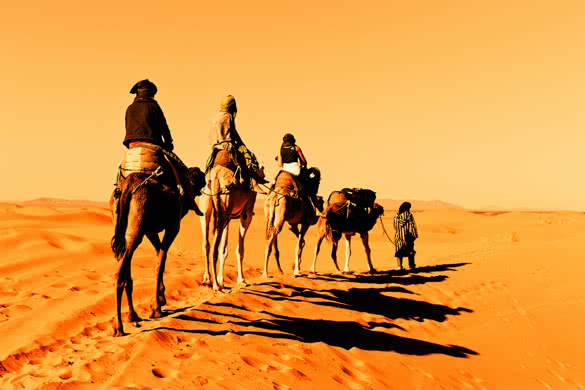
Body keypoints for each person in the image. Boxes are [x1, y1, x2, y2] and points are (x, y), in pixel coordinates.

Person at [119, 79, 202, 215]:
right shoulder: (154, 107)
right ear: (151, 94)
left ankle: (118, 195)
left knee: (119, 175)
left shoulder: (129, 108)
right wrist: (169, 144)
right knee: (183, 170)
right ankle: (191, 203)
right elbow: (164, 128)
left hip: (132, 148)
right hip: (153, 146)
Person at [206, 95, 266, 192]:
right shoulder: (228, 116)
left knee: (209, 165)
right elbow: (234, 135)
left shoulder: (215, 117)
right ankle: (254, 183)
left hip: (215, 149)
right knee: (248, 160)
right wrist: (244, 147)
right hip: (227, 146)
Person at [393, 201, 418, 270]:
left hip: (398, 236)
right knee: (410, 251)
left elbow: (395, 226)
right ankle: (411, 265)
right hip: (408, 236)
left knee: (399, 251)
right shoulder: (408, 215)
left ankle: (399, 266)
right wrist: (414, 235)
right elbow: (412, 226)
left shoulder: (396, 216)